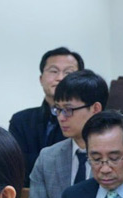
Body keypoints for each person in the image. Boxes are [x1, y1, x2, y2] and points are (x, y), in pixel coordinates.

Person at [27, 70, 123, 198]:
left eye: (68, 110)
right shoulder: (48, 158)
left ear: (95, 109)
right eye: (58, 109)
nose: (61, 117)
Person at [9, 47, 84, 184]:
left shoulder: (84, 120)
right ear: (41, 79)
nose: (60, 78)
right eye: (54, 71)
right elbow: (16, 167)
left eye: (68, 72)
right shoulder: (21, 121)